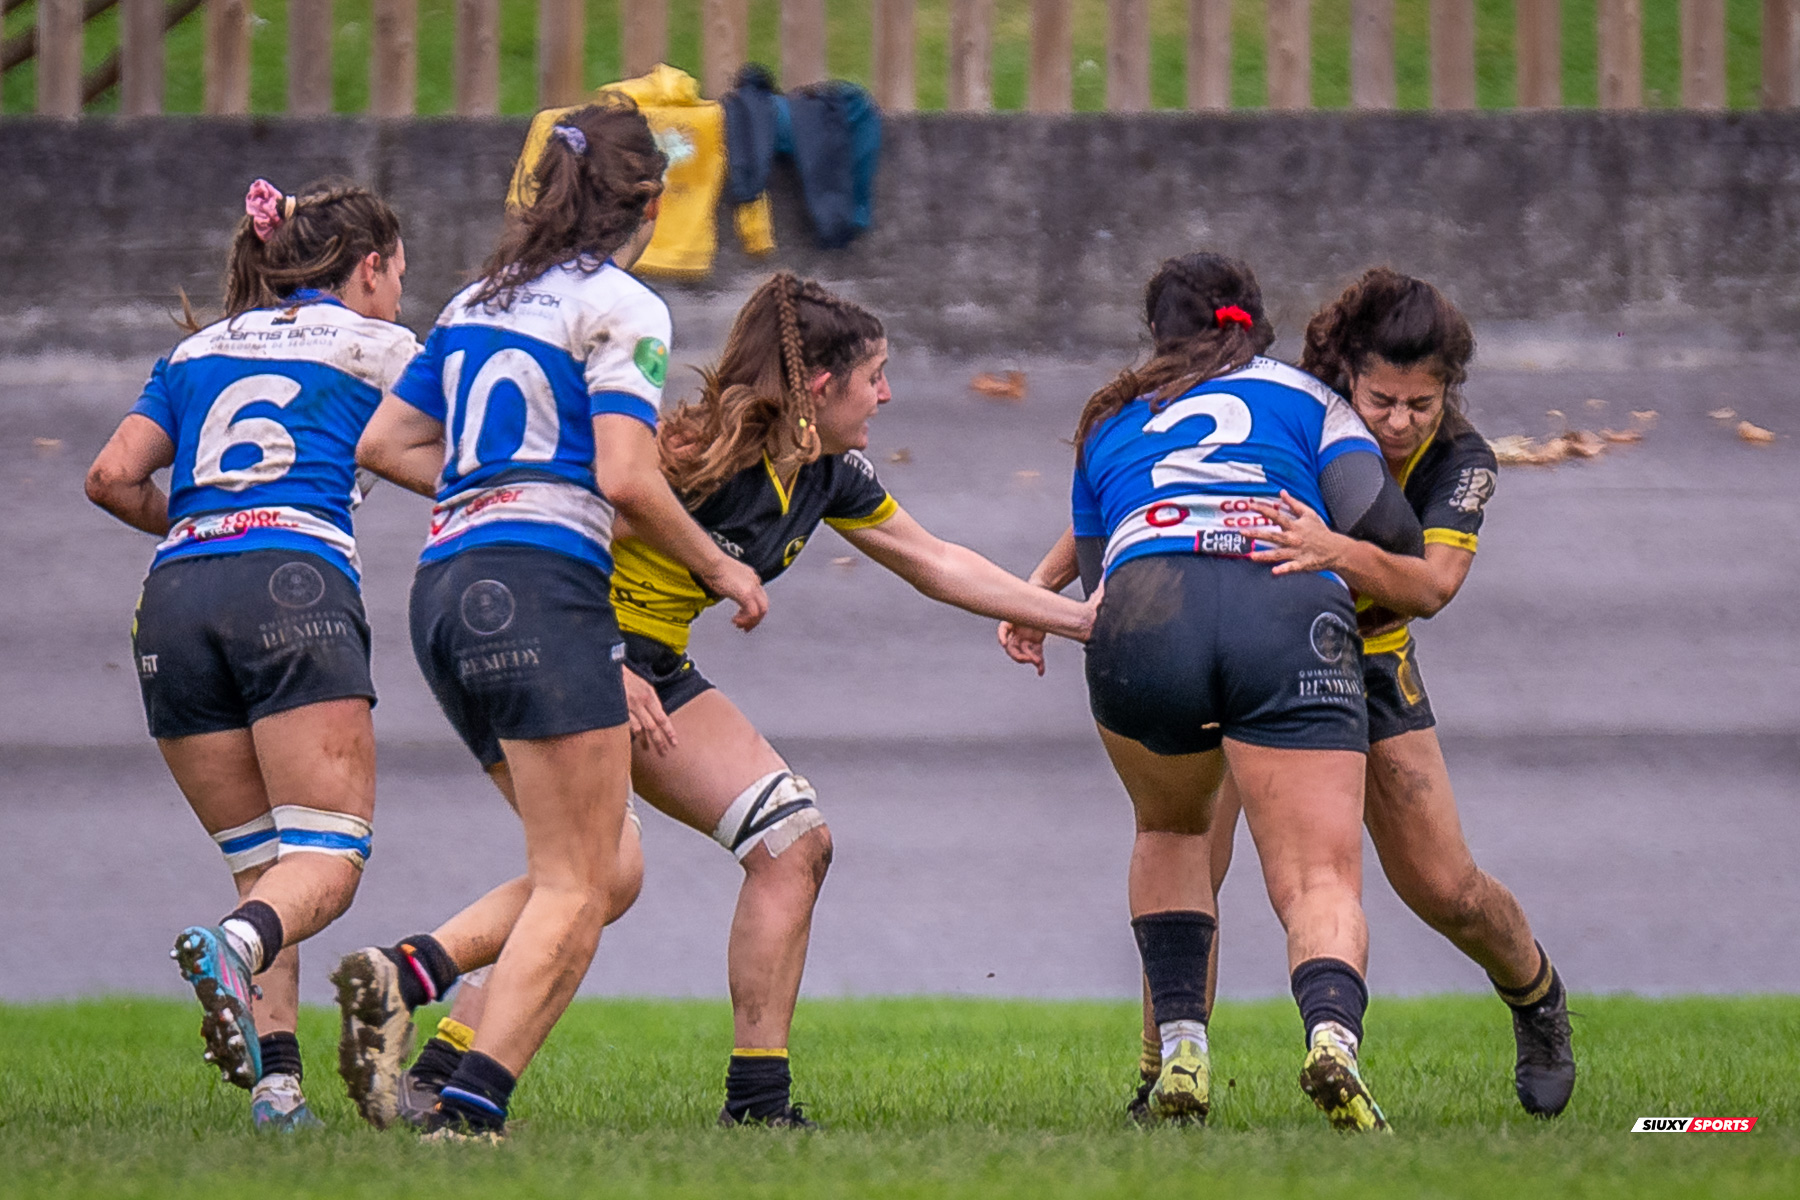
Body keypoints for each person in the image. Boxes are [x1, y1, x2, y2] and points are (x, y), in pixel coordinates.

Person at [378, 271, 1097, 1130]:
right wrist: (602, 661)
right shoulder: (677, 459)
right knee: (594, 874)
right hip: (574, 652)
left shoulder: (828, 472)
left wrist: (1082, 621)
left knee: (784, 845)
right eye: (877, 375)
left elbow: (937, 561)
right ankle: (425, 1018)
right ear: (821, 388)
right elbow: (555, 539)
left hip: (654, 671)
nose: (889, 394)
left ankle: (748, 1104)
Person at [340, 96, 769, 1142]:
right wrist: (719, 561)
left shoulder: (479, 300)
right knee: (584, 877)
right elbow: (626, 476)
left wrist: (493, 486)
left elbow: (386, 445)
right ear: (653, 202)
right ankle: (470, 1112)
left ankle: (406, 978)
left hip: (445, 592)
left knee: (599, 859)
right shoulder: (625, 307)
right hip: (541, 585)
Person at [1001, 252, 1425, 1131]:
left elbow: (1096, 568)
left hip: (1148, 614)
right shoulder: (1309, 399)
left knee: (1169, 827)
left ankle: (1184, 1051)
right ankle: (1333, 1042)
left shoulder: (1111, 414)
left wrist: (1044, 601)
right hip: (1286, 604)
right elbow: (1387, 528)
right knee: (1316, 874)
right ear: (1256, 325)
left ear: (1156, 332)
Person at [1193, 268, 1574, 1117]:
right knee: (1192, 861)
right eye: (1382, 400)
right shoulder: (1295, 404)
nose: (1399, 424)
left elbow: (1432, 586)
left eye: (1421, 404)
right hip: (1254, 647)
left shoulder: (1463, 461)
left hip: (1368, 654)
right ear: (1346, 375)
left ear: (1448, 395)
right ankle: (1169, 1076)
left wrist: (1333, 550)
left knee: (1446, 888)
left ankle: (1538, 998)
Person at [84, 177, 416, 1130]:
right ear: (367, 269)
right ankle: (231, 948)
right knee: (331, 857)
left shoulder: (197, 349)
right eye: (399, 274)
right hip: (294, 584)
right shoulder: (381, 345)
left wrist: (201, 520)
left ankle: (278, 1089)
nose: (400, 294)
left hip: (175, 594)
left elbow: (109, 476)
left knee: (268, 861)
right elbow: (474, 441)